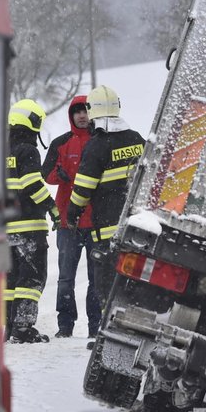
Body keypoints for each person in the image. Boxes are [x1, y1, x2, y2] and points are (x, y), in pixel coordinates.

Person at [65, 85, 146, 324]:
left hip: (108, 230)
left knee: (107, 283)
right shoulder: (137, 139)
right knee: (136, 282)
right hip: (138, 226)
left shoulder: (97, 145)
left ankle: (108, 329)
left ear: (92, 111)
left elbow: (82, 189)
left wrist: (72, 213)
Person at [42, 95, 101, 339]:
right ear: (71, 115)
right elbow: (45, 174)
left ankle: (94, 328)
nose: (82, 115)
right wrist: (59, 173)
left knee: (95, 279)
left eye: (86, 110)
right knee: (66, 278)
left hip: (97, 222)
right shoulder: (60, 143)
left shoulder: (101, 141)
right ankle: (65, 326)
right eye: (77, 111)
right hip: (68, 222)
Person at [5, 98, 60, 343]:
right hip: (29, 227)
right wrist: (52, 208)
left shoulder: (1, 150)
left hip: (5, 230)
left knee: (10, 280)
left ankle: (8, 327)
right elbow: (32, 185)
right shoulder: (28, 150)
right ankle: (24, 329)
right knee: (31, 280)